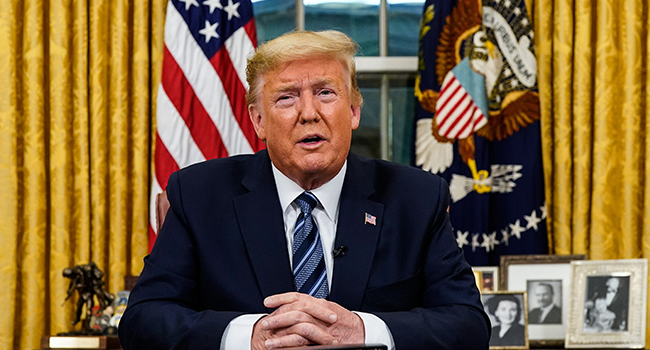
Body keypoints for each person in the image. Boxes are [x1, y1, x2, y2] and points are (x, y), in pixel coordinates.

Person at [118, 30, 490, 350]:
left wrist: (362, 331)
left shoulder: (416, 198)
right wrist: (251, 335)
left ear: (355, 111)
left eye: (326, 93)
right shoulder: (199, 195)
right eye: (286, 97)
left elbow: (468, 324)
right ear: (258, 120)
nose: (308, 113)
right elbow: (143, 321)